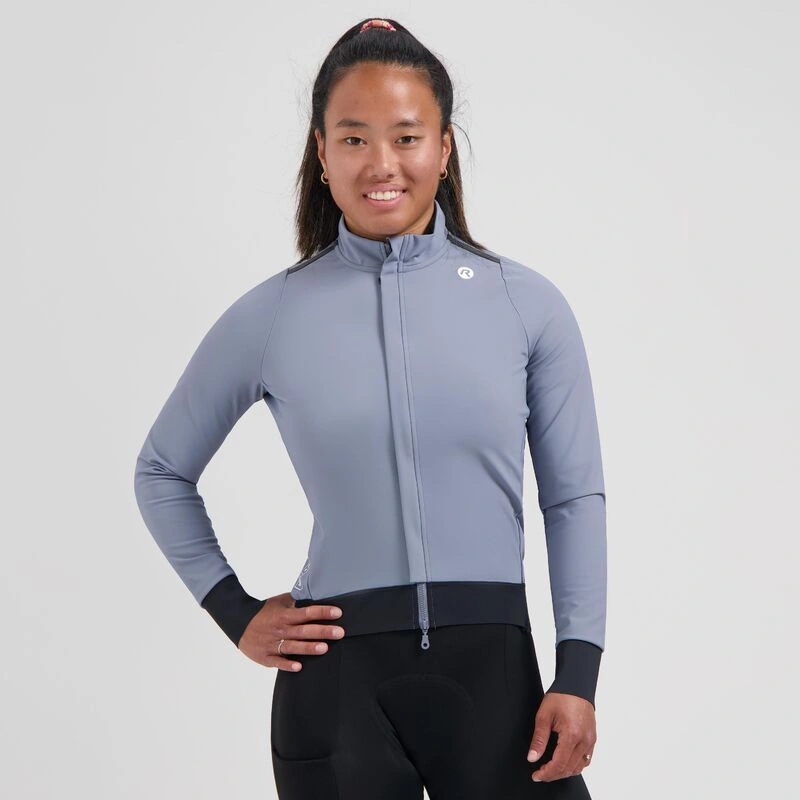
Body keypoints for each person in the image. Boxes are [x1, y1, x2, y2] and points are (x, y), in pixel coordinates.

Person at [133, 16, 607, 800]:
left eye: (406, 137)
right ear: (321, 154)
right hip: (337, 695)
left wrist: (578, 673)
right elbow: (160, 471)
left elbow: (573, 498)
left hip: (499, 693)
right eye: (354, 138)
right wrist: (233, 609)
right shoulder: (273, 315)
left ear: (444, 148)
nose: (381, 163)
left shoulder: (525, 305)